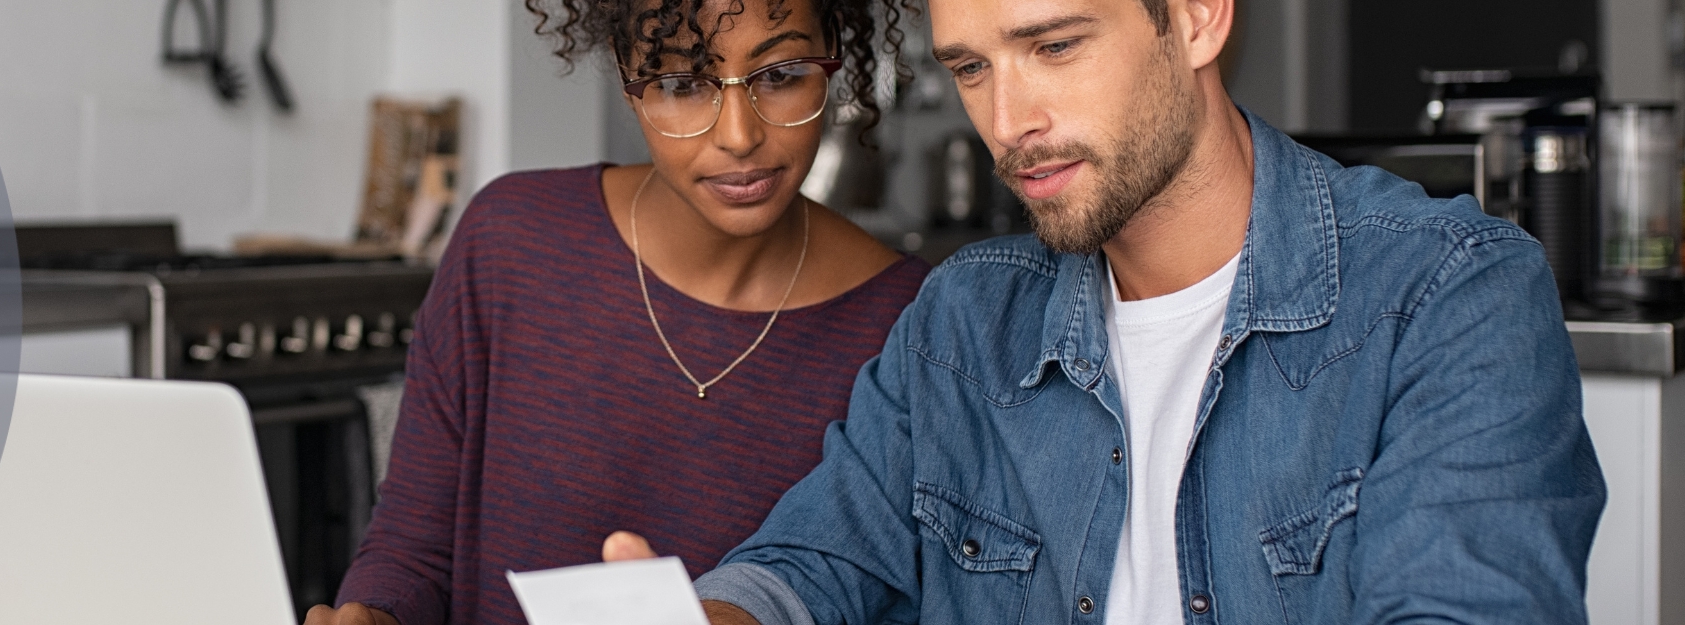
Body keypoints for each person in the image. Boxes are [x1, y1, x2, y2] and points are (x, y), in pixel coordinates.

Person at [602, 0, 1609, 623]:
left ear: (1198, 17)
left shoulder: (1447, 294)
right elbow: (810, 565)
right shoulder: (962, 319)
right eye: (970, 67)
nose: (1008, 122)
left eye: (1053, 45)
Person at [303, 1, 925, 624]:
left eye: (781, 75)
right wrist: (371, 615)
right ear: (628, 76)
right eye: (682, 84)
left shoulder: (912, 324)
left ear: (831, 54)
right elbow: (413, 548)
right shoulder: (509, 242)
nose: (739, 135)